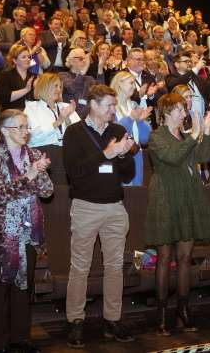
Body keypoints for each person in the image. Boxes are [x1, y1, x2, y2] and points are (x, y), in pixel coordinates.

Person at [62, 85, 136, 348]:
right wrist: (106, 154)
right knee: (80, 267)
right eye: (109, 106)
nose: (114, 111)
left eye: (115, 106)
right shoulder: (74, 132)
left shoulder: (117, 131)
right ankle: (75, 321)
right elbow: (73, 170)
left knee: (115, 267)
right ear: (93, 104)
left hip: (115, 207)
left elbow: (127, 174)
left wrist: (125, 155)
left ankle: (112, 319)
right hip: (85, 207)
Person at [0, 109, 53, 353]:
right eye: (20, 127)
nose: (26, 132)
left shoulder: (33, 154)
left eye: (27, 127)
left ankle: (20, 337)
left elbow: (47, 192)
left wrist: (40, 172)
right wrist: (28, 175)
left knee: (23, 288)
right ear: (4, 130)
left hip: (29, 232)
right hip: (3, 233)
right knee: (1, 288)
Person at [146, 92, 210, 335]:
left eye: (184, 109)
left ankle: (183, 310)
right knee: (165, 258)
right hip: (166, 198)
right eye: (179, 109)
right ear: (165, 112)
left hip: (187, 197)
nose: (184, 113)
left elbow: (206, 156)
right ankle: (161, 313)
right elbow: (174, 157)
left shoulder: (187, 135)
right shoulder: (156, 136)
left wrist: (206, 130)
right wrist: (194, 136)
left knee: (186, 258)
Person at [24, 73, 79, 185]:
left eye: (60, 87)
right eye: (55, 86)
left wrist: (67, 119)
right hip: (42, 155)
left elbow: (78, 135)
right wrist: (58, 121)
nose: (58, 90)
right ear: (43, 86)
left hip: (66, 154)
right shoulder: (32, 108)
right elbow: (33, 137)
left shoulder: (66, 107)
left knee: (63, 192)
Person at [110, 71, 152, 186]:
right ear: (119, 84)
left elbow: (145, 138)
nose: (134, 87)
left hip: (136, 156)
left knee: (135, 197)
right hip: (118, 156)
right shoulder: (111, 106)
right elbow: (113, 133)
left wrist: (140, 122)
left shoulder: (134, 105)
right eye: (131, 83)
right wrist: (130, 119)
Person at [0, 46, 36, 110]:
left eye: (29, 57)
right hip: (13, 114)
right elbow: (4, 99)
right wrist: (26, 90)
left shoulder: (34, 76)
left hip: (31, 112)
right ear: (15, 60)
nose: (28, 59)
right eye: (24, 57)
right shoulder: (6, 76)